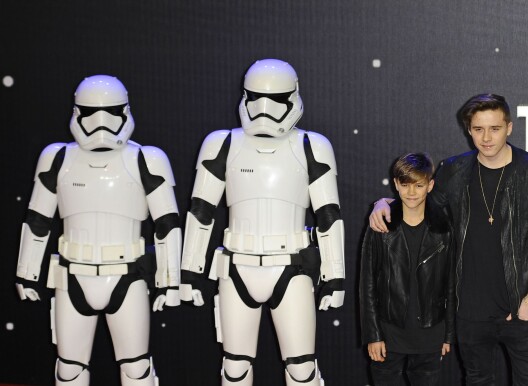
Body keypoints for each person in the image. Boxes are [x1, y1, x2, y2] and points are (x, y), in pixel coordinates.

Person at [369, 94, 528, 385]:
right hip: (470, 312)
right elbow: (422, 205)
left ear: (509, 128)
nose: (486, 138)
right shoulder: (453, 170)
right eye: (478, 129)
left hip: (523, 309)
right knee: (477, 379)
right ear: (469, 130)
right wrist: (384, 202)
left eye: (495, 128)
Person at [179, 59, 345, 385]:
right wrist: (187, 272)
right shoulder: (223, 143)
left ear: (293, 97)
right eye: (255, 98)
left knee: (302, 370)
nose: (264, 108)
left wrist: (335, 276)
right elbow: (200, 211)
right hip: (237, 267)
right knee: (235, 369)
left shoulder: (312, 145)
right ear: (244, 97)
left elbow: (328, 216)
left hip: (291, 268)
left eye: (276, 99)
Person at [15, 75, 181, 386]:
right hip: (73, 276)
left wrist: (171, 281)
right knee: (69, 369)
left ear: (125, 111)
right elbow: (38, 219)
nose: (101, 123)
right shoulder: (58, 158)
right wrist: (26, 272)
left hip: (126, 277)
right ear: (77, 113)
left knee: (137, 369)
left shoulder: (146, 159)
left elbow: (167, 225)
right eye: (90, 113)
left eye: (111, 113)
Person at [360, 152, 455, 386]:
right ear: (396, 185)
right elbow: (368, 284)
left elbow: (451, 283)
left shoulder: (444, 229)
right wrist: (373, 336)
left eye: (419, 185)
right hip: (388, 334)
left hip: (430, 335)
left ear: (430, 185)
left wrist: (448, 335)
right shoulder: (380, 226)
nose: (412, 192)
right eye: (405, 185)